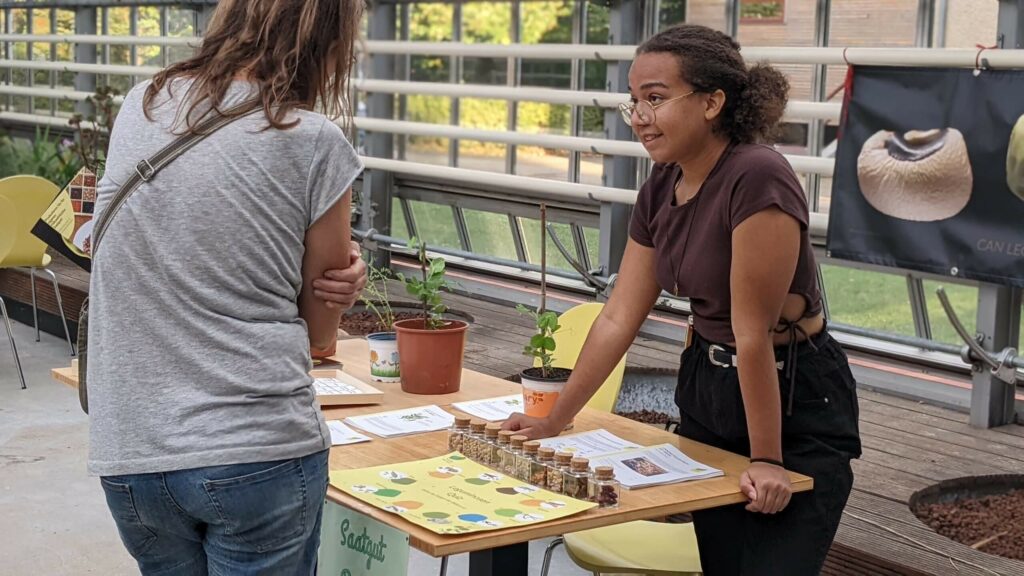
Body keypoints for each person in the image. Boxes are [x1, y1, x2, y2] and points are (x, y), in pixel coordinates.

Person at [502, 24, 860, 575]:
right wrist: (555, 419)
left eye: (656, 98)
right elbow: (619, 316)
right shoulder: (660, 185)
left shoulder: (757, 176)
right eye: (634, 101)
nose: (640, 116)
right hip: (708, 389)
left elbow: (752, 334)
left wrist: (766, 458)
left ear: (713, 102)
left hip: (790, 399)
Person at [87, 1, 368, 573]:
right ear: (328, 40)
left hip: (132, 451)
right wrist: (338, 283)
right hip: (257, 451)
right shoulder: (312, 139)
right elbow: (320, 336)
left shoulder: (142, 103)